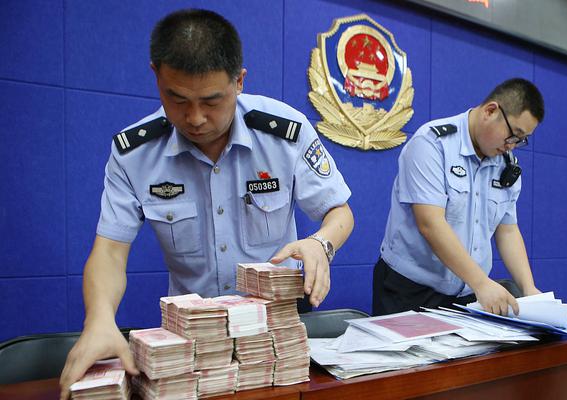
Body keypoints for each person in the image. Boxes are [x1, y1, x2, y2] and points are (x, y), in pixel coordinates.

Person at [59, 9, 353, 399]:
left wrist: (321, 244)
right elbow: (110, 251)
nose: (195, 118)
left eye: (212, 100)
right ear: (156, 77)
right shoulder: (134, 153)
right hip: (194, 336)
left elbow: (339, 212)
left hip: (275, 331)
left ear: (239, 81)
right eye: (177, 98)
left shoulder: (285, 132)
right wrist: (98, 319)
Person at [372, 78, 544, 317]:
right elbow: (430, 223)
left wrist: (529, 289)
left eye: (521, 140)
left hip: (467, 293)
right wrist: (481, 282)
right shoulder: (432, 143)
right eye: (513, 135)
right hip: (410, 291)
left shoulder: (506, 165)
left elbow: (507, 230)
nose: (512, 146)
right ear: (490, 111)